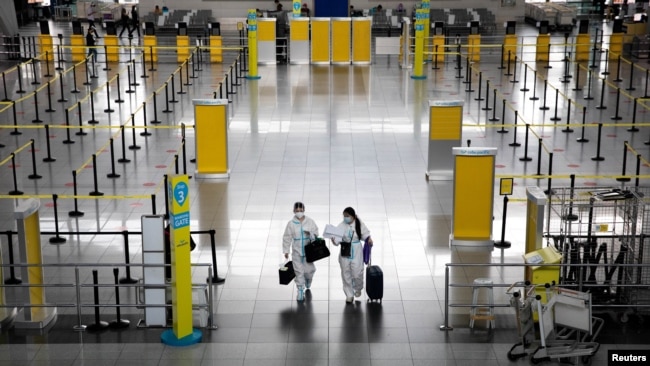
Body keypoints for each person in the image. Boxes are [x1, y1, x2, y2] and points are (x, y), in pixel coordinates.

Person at [331, 207, 373, 303]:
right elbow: (337, 240)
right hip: (345, 250)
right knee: (345, 273)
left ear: (353, 216)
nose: (345, 218)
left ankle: (358, 287)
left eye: (347, 216)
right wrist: (334, 240)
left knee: (357, 272)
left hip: (356, 250)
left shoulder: (359, 223)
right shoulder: (341, 225)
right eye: (344, 216)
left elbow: (365, 234)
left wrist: (369, 239)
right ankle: (349, 294)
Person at [282, 202, 319, 302]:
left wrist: (310, 233)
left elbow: (316, 233)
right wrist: (286, 250)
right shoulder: (291, 224)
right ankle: (300, 290)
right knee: (298, 271)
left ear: (304, 210)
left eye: (301, 210)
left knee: (309, 270)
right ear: (294, 211)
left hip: (308, 251)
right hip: (296, 251)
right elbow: (287, 237)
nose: (299, 212)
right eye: (297, 210)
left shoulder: (310, 221)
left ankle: (308, 279)